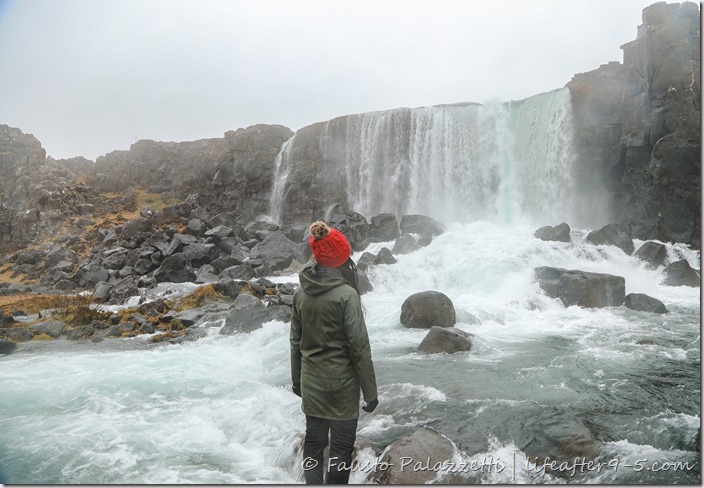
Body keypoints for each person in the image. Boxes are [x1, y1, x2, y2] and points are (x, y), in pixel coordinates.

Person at [290, 221, 378, 484]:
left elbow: (295, 341)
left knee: (313, 444)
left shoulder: (300, 292)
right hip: (342, 389)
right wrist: (370, 393)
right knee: (340, 450)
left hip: (312, 384)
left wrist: (297, 381)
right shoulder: (347, 295)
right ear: (342, 260)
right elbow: (359, 349)